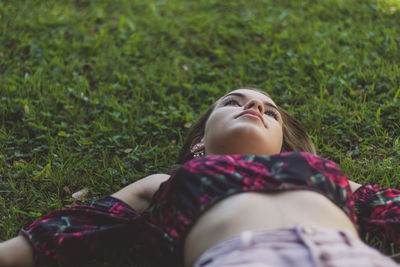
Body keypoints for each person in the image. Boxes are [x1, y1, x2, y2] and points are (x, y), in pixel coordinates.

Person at [0, 88, 399, 266]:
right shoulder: (168, 181)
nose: (256, 105)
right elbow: (82, 225)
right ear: (199, 144)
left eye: (270, 110)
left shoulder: (320, 172)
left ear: (283, 148)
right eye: (233, 102)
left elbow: (388, 207)